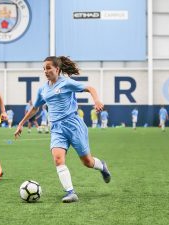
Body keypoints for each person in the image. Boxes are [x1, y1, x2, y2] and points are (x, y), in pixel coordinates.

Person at [14, 56, 111, 203]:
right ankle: (71, 192)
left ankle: (102, 166)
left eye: (48, 68)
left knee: (87, 161)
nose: (45, 71)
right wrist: (21, 123)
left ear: (57, 69)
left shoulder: (66, 82)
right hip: (57, 128)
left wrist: (97, 100)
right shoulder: (43, 89)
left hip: (73, 125)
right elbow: (35, 108)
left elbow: (90, 88)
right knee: (58, 159)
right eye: (44, 68)